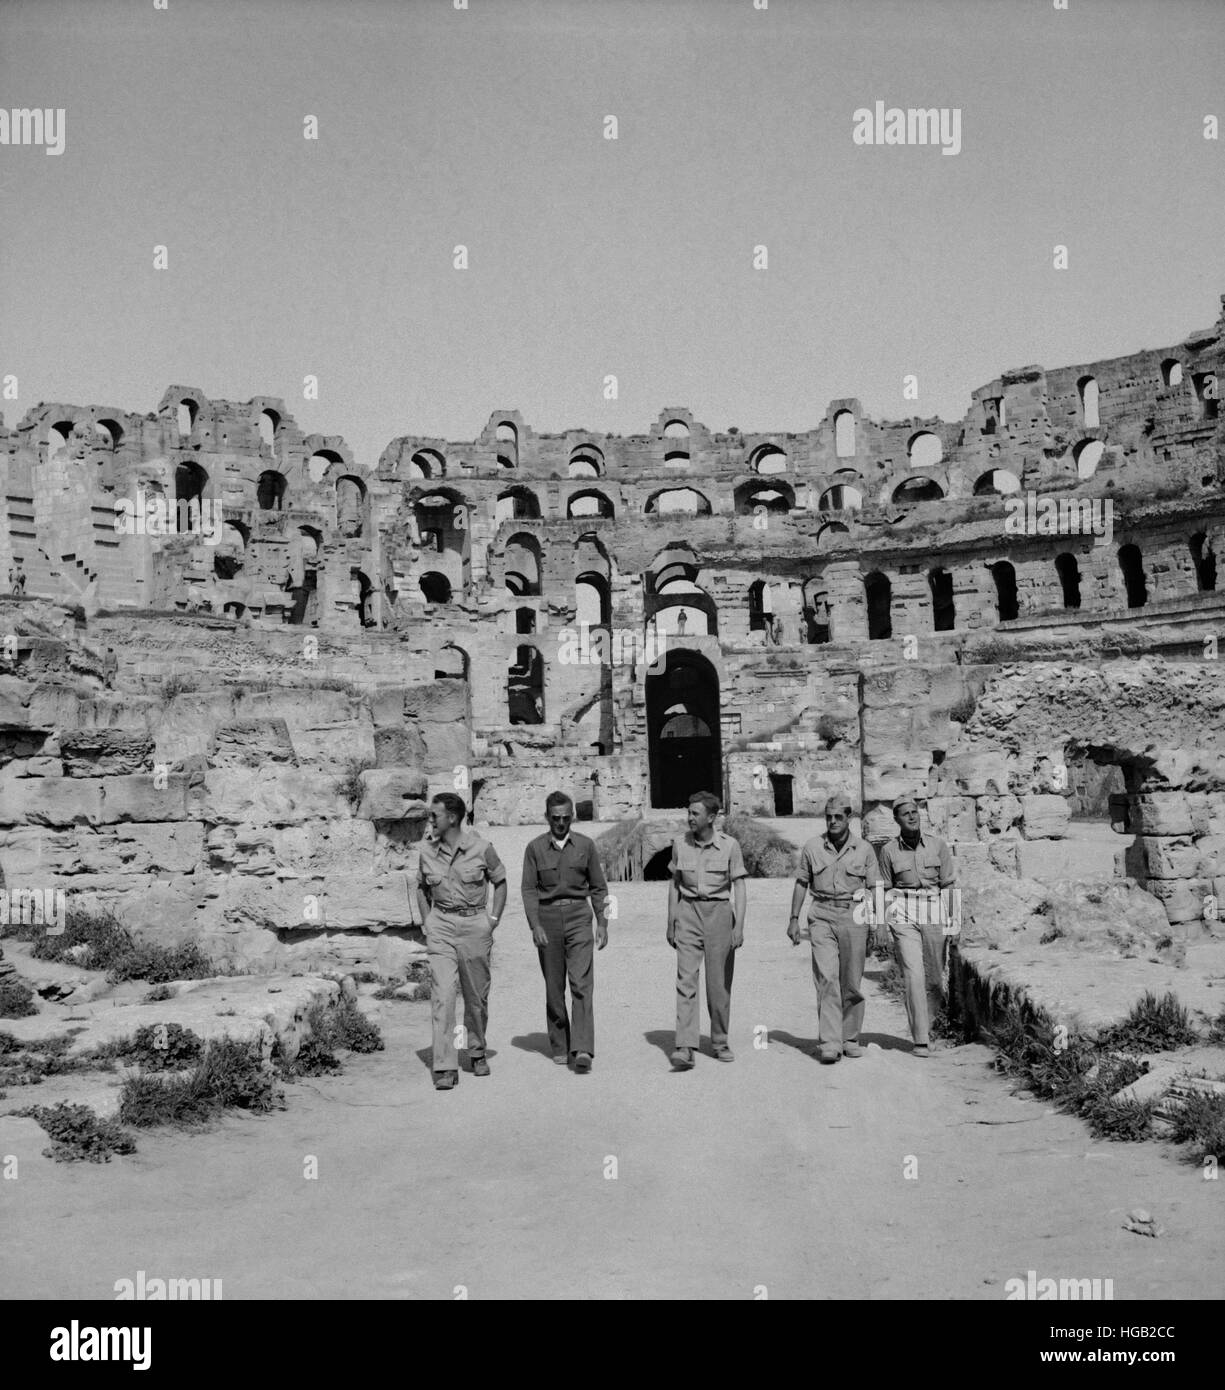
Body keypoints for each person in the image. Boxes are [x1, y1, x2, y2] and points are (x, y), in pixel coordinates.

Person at [415, 792, 507, 1091]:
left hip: (474, 925)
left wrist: (492, 920)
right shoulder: (427, 852)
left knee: (476, 997)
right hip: (441, 926)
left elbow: (500, 881)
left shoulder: (482, 849)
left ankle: (477, 1050)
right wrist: (427, 920)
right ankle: (444, 1065)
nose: (430, 821)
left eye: (434, 816)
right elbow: (420, 887)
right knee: (443, 996)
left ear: (451, 818)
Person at [788, 791, 880, 1063]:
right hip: (822, 914)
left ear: (849, 818)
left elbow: (874, 888)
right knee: (826, 978)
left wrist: (877, 924)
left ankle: (849, 1037)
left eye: (838, 817)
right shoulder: (813, 847)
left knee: (851, 981)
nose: (832, 822)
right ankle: (830, 1041)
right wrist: (793, 918)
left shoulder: (864, 849)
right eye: (828, 817)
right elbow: (802, 882)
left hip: (855, 913)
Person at [521, 791, 610, 1072]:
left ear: (573, 816)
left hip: (579, 917)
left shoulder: (585, 845)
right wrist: (534, 925)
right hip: (547, 919)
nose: (561, 823)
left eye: (565, 817)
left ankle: (582, 1048)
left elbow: (599, 888)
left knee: (582, 984)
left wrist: (603, 923)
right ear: (547, 817)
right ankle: (560, 1044)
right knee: (553, 987)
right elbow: (528, 889)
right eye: (555, 818)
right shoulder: (534, 849)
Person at [667, 791, 747, 1069]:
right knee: (685, 981)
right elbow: (675, 884)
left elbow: (739, 885)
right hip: (688, 913)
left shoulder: (729, 846)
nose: (689, 818)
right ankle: (685, 1046)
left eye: (695, 814)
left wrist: (739, 926)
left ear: (711, 817)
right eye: (689, 812)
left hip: (719, 915)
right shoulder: (680, 844)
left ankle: (720, 1041)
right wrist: (671, 920)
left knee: (718, 985)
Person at [877, 795, 957, 1058]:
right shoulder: (888, 851)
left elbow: (948, 884)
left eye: (915, 812)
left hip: (934, 909)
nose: (912, 816)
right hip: (904, 911)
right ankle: (920, 1038)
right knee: (913, 974)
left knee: (934, 978)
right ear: (896, 819)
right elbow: (884, 888)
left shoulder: (938, 846)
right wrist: (881, 924)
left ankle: (932, 1027)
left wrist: (954, 922)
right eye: (905, 814)